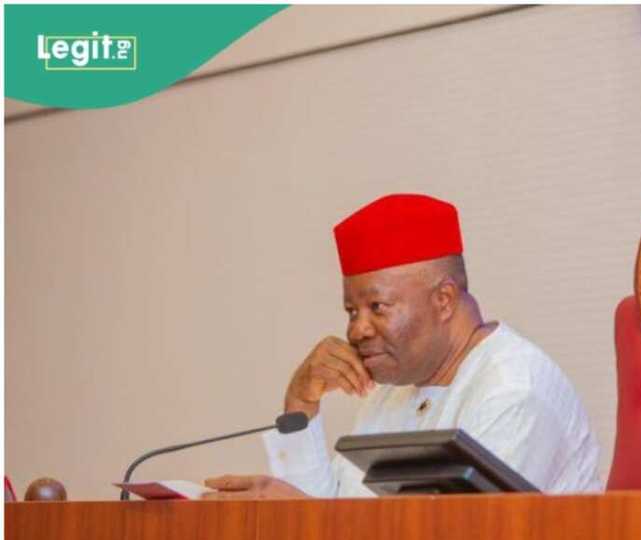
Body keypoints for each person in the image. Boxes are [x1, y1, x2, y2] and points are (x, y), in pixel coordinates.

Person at [203, 194, 602, 498]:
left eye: (377, 307)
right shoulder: (393, 391)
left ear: (443, 300)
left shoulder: (513, 391)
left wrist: (302, 516)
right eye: (351, 310)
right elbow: (328, 510)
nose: (357, 330)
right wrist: (301, 405)